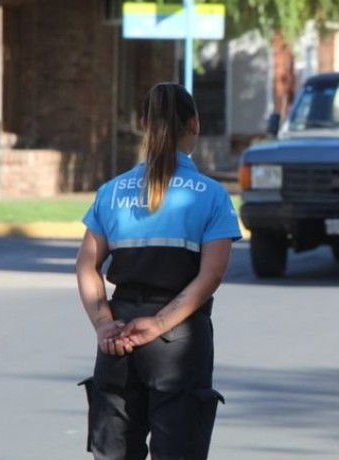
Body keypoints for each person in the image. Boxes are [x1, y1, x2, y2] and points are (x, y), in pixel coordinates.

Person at [76, 82, 241, 460]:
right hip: (179, 340)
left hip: (117, 339)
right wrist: (161, 324)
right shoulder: (211, 195)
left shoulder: (111, 192)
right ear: (194, 124)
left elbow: (87, 265)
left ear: (144, 125)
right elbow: (210, 276)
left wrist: (103, 323)